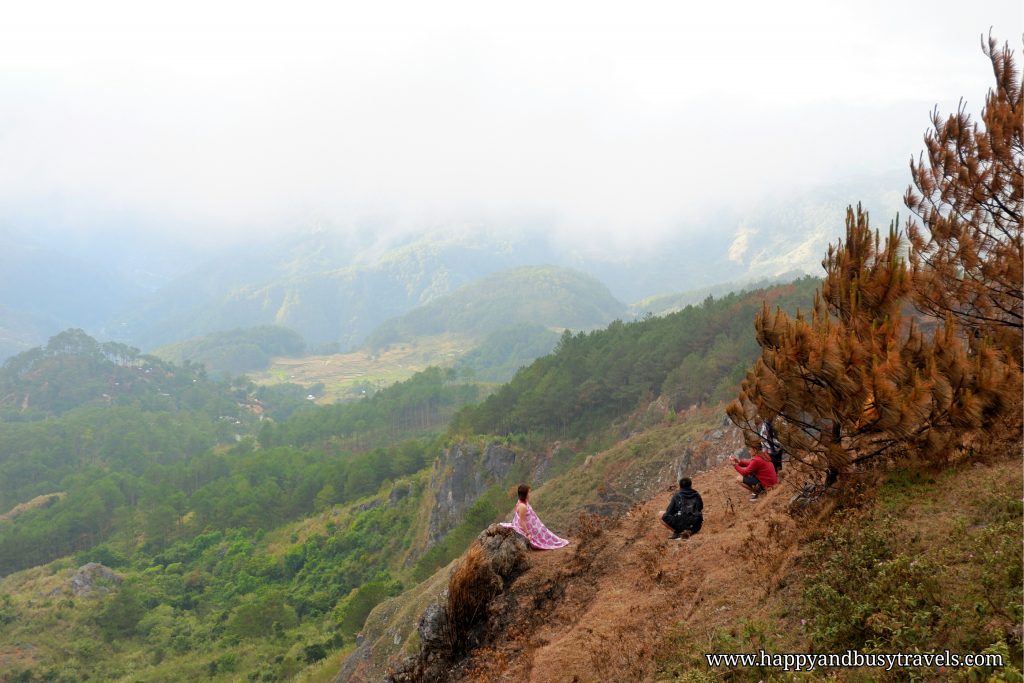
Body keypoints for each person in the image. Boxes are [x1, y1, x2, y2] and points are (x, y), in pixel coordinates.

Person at [499, 484, 569, 550]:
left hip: (534, 526)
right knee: (544, 536)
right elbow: (522, 521)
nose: (530, 494)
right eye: (528, 493)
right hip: (528, 529)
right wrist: (528, 534)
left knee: (545, 532)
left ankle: (554, 540)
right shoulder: (522, 506)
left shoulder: (523, 502)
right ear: (525, 494)